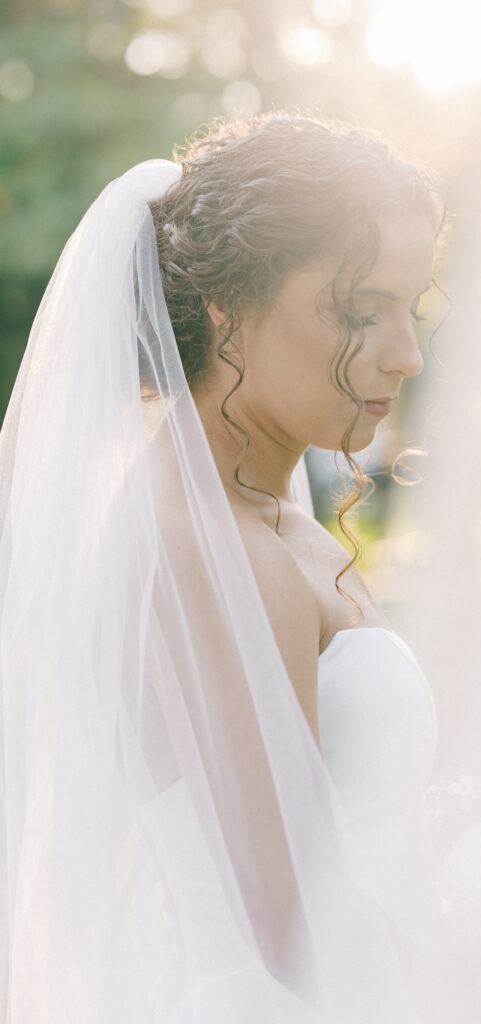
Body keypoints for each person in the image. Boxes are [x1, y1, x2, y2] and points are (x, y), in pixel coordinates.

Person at [0, 113, 446, 1022]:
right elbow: (292, 936)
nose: (405, 354)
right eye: (363, 311)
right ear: (226, 307)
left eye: (414, 308)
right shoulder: (199, 541)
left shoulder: (270, 516)